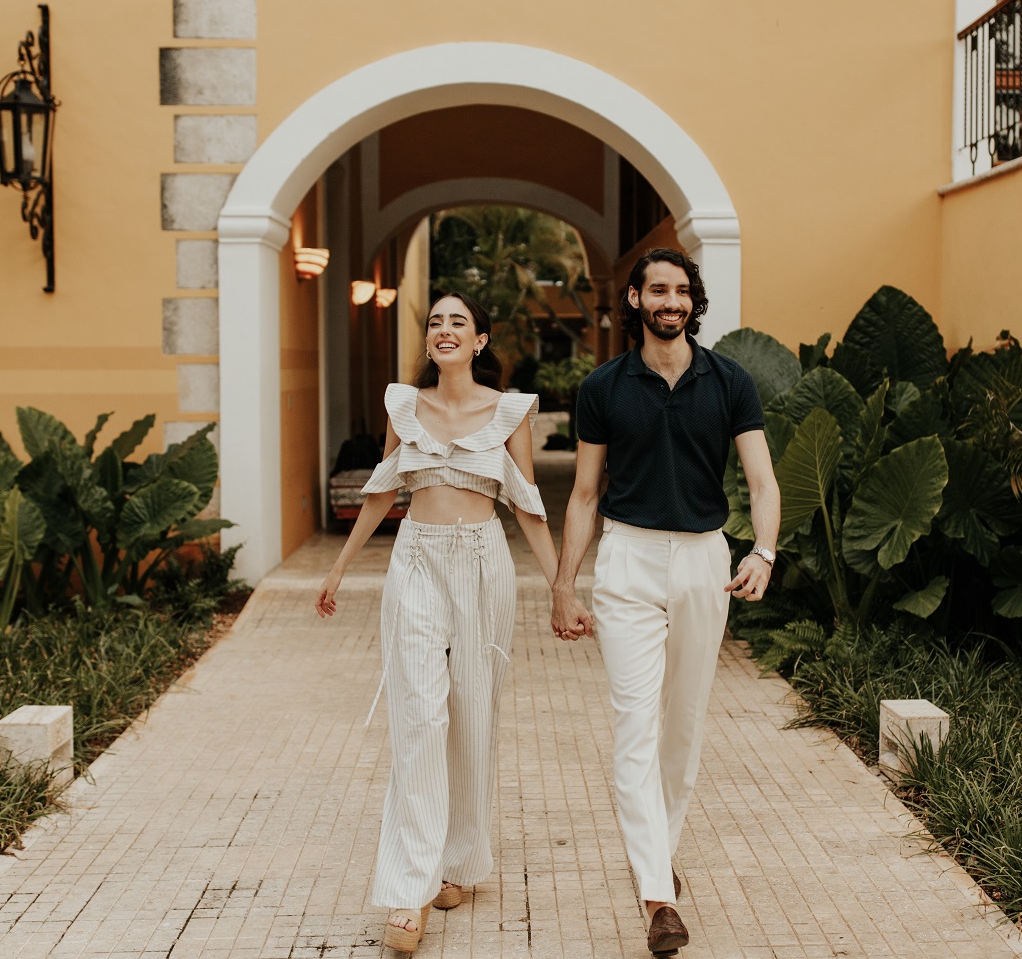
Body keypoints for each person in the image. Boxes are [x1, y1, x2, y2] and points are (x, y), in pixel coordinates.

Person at [550, 248, 780, 956]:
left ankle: (657, 854)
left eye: (681, 291)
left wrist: (763, 551)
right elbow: (584, 494)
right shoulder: (603, 386)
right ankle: (658, 895)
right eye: (657, 290)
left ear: (692, 300)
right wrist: (563, 584)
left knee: (682, 725)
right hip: (628, 559)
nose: (670, 301)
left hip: (705, 559)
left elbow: (762, 481)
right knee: (634, 726)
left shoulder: (729, 381)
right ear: (636, 299)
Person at [315, 293, 559, 955]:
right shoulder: (403, 405)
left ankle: (458, 862)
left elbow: (528, 507)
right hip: (416, 561)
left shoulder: (510, 412)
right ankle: (410, 888)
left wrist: (562, 589)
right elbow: (381, 492)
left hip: (483, 564)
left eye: (458, 322)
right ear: (428, 341)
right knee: (420, 716)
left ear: (480, 341)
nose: (444, 330)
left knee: (472, 715)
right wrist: (339, 568)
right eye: (435, 322)